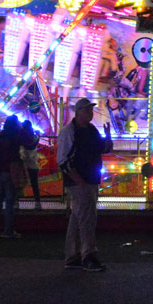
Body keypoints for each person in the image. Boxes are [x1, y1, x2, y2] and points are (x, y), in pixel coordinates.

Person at [57, 97, 112, 271]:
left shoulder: (90, 130)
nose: (90, 113)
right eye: (87, 110)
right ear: (79, 112)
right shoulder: (69, 131)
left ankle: (72, 255)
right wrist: (78, 180)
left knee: (78, 217)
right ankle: (88, 254)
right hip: (79, 181)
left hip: (89, 178)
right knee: (87, 218)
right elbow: (63, 159)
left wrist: (108, 136)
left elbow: (103, 149)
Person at [0, 116, 23, 239]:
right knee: (9, 202)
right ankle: (8, 231)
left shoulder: (0, 137)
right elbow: (28, 143)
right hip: (10, 171)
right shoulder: (14, 137)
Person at [19, 120, 42, 209]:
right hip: (32, 163)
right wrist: (38, 135)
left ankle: (16, 202)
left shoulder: (21, 136)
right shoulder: (34, 137)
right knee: (34, 183)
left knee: (19, 183)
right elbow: (33, 144)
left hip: (22, 162)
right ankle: (37, 202)